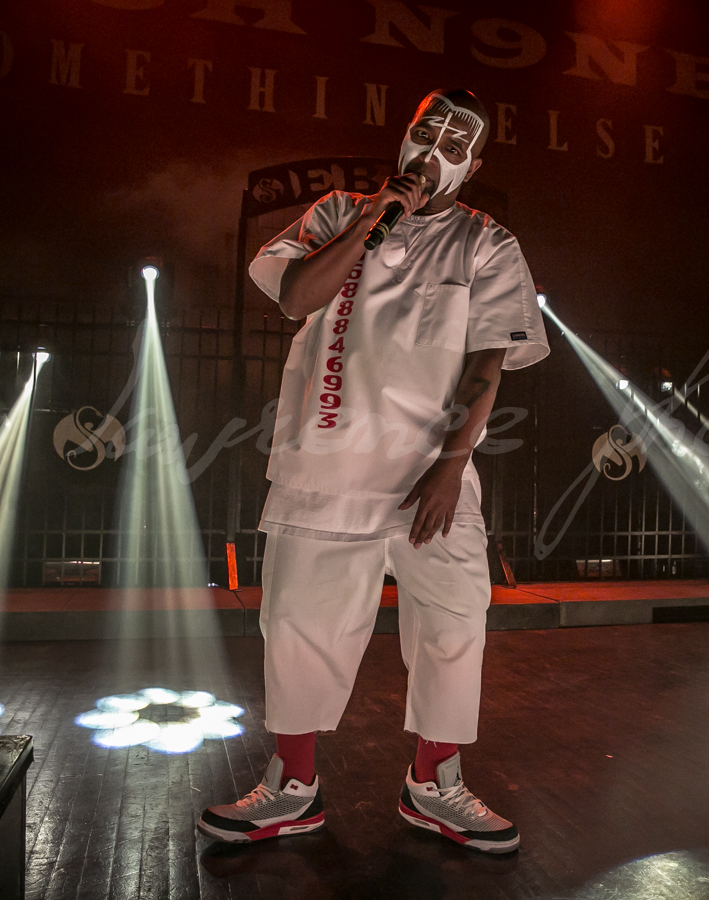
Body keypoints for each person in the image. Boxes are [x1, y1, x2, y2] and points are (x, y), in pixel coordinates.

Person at [197, 89, 548, 854]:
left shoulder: (487, 242)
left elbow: (488, 364)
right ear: (404, 136)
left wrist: (451, 466)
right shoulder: (337, 213)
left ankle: (434, 784)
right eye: (426, 133)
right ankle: (292, 788)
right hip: (325, 463)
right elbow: (296, 295)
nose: (433, 152)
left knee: (454, 621)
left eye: (455, 145)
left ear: (473, 166)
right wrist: (369, 223)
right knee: (299, 624)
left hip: (431, 477)